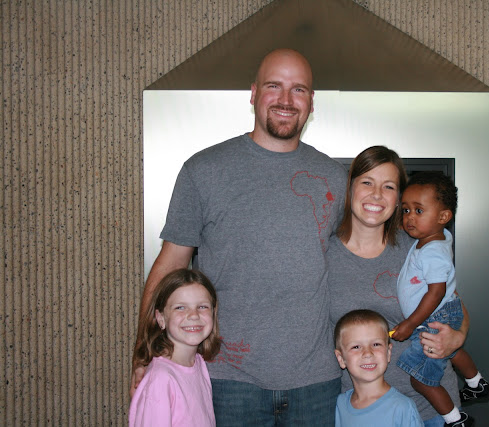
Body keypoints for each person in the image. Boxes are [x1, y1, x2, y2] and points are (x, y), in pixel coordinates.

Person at [131, 49, 347, 425]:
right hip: (227, 381)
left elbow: (363, 259)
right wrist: (143, 353)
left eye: (298, 89)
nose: (285, 99)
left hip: (317, 382)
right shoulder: (204, 170)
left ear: (312, 102)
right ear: (253, 93)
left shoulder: (335, 178)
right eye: (273, 86)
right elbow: (171, 264)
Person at [327, 146, 469, 427]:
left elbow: (454, 304)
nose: (377, 194)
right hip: (361, 410)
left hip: (431, 408)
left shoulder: (418, 246)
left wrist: (458, 337)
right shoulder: (323, 252)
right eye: (367, 182)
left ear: (398, 199)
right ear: (350, 189)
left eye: (389, 186)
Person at [391, 171, 489, 427]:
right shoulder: (436, 237)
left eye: (418, 210)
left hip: (434, 316)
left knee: (421, 380)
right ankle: (476, 382)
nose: (409, 217)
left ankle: (455, 420)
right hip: (444, 312)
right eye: (405, 210)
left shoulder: (432, 251)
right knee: (451, 350)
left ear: (443, 217)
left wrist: (411, 323)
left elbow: (435, 292)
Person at [129, 268, 221, 426]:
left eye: (202, 307)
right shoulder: (160, 379)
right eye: (180, 307)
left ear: (213, 312)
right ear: (161, 318)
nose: (194, 315)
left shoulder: (198, 363)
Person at [333, 309, 422, 427]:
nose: (368, 353)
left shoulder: (402, 408)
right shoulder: (340, 404)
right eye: (356, 347)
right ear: (341, 359)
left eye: (376, 344)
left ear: (388, 352)